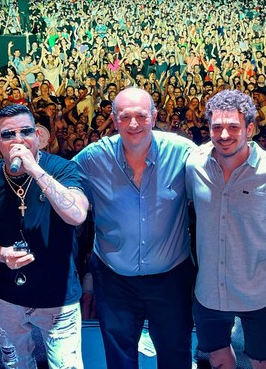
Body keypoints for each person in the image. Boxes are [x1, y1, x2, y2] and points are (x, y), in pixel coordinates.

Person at [72, 87, 196, 369]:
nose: (133, 124)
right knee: (119, 357)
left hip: (171, 277)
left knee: (176, 353)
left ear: (154, 116)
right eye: (125, 117)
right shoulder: (93, 158)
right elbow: (60, 180)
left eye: (141, 116)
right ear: (114, 120)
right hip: (114, 278)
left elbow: (221, 168)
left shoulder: (182, 152)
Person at [0, 104, 89, 368]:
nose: (19, 139)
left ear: (38, 135)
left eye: (26, 132)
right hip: (9, 296)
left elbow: (77, 214)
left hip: (58, 295)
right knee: (17, 364)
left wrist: (35, 170)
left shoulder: (62, 168)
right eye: (9, 134)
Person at [186, 90, 266, 369]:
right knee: (217, 357)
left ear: (249, 129)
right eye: (216, 127)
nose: (224, 135)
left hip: (259, 289)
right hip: (209, 288)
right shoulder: (194, 165)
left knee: (263, 362)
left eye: (233, 127)